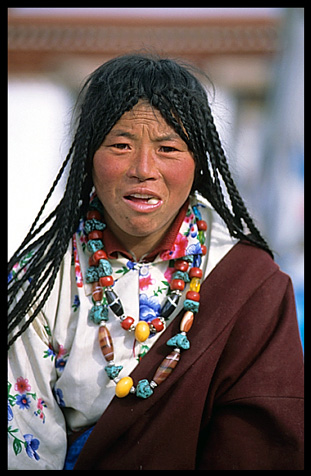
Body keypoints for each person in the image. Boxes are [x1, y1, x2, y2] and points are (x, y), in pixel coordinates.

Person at [8, 54, 303, 470]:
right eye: (121, 146)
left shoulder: (250, 282)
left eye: (168, 148)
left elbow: (259, 444)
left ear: (198, 162)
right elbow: (24, 443)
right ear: (89, 156)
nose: (144, 170)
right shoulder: (38, 280)